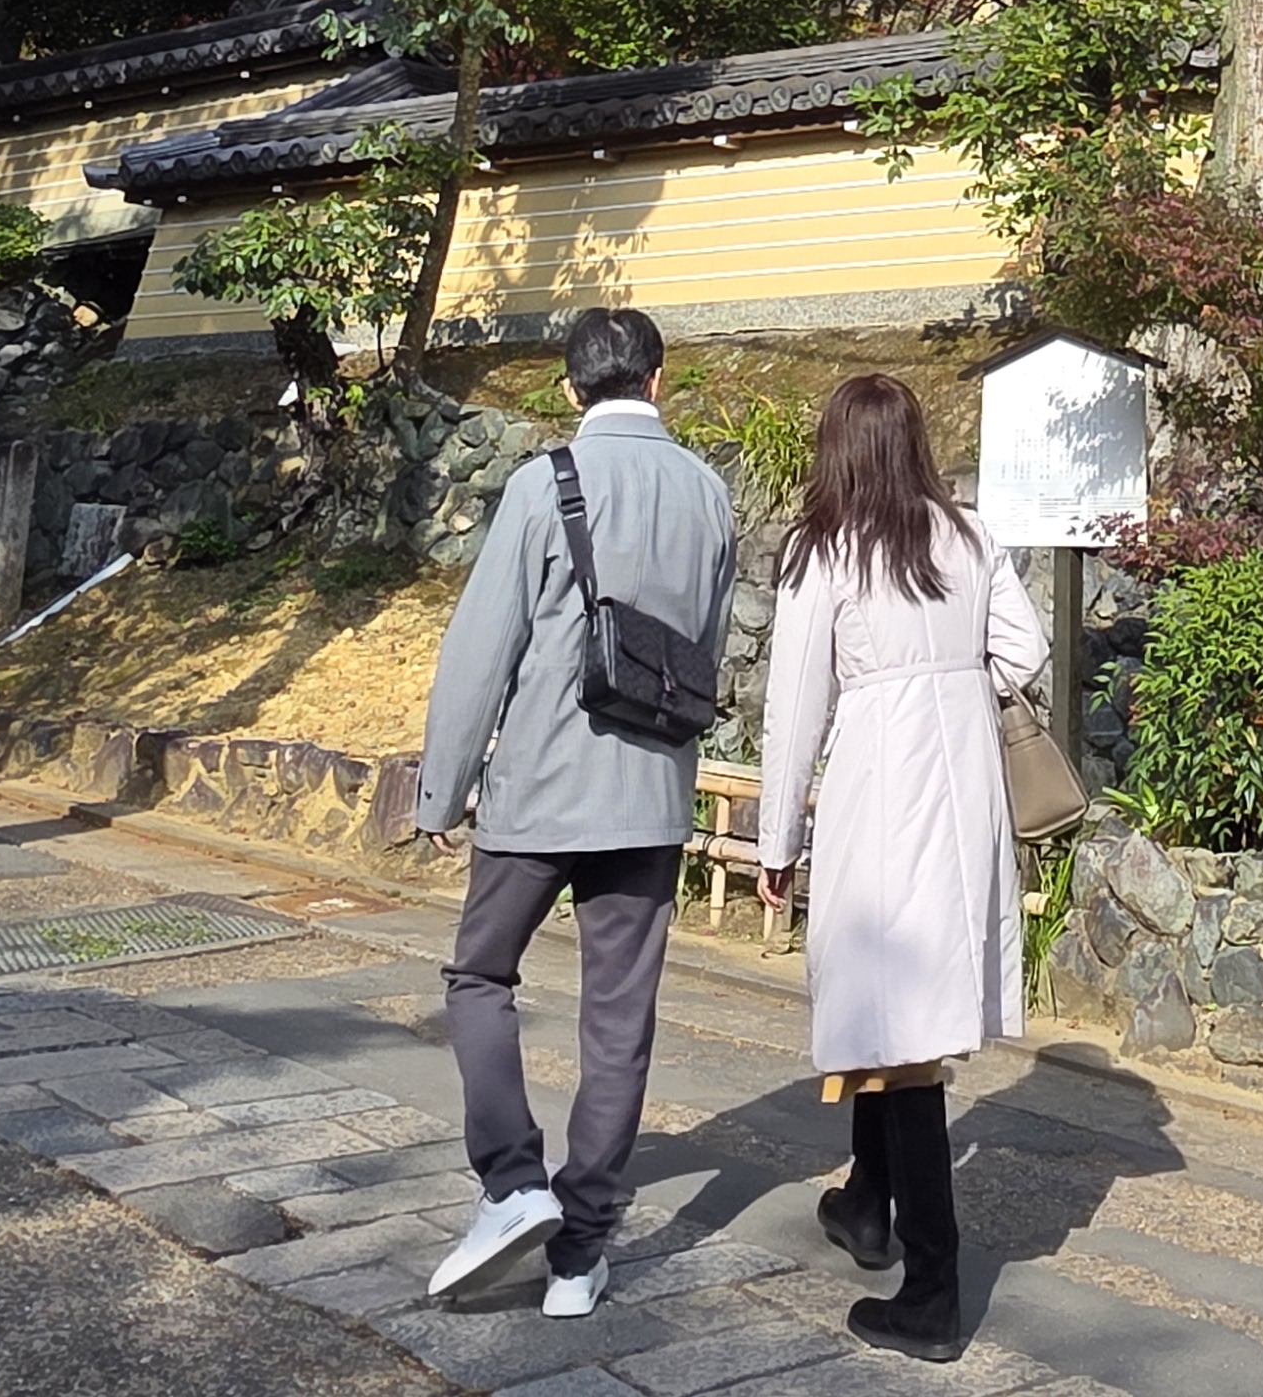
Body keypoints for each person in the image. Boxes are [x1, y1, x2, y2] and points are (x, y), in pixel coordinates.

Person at [413, 304, 737, 1319]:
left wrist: (441, 786)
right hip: (649, 796)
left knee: (479, 975)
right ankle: (579, 1255)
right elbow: (706, 650)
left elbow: (482, 648)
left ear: (569, 389)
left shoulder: (542, 483)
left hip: (541, 788)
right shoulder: (708, 491)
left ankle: (513, 1181)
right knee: (618, 1019)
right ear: (657, 380)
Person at [755, 371, 1047, 1365]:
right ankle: (866, 1199)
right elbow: (1026, 649)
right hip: (963, 787)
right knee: (899, 1010)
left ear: (837, 448)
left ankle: (932, 1290)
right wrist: (954, 687)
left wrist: (776, 842)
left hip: (878, 786)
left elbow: (795, 706)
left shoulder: (827, 549)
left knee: (901, 1027)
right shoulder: (967, 535)